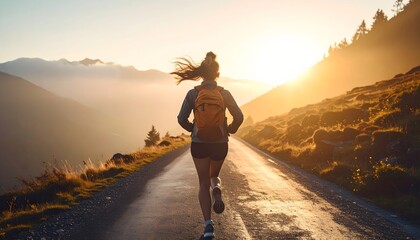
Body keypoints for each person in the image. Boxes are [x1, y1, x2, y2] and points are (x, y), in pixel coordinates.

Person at [172, 51, 243, 239]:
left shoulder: (193, 93)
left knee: (203, 183)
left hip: (200, 143)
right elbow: (240, 116)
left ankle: (208, 227)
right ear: (217, 74)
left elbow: (180, 119)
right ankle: (217, 190)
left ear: (202, 74)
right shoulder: (224, 94)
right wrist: (230, 129)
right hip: (220, 143)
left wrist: (193, 129)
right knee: (214, 176)